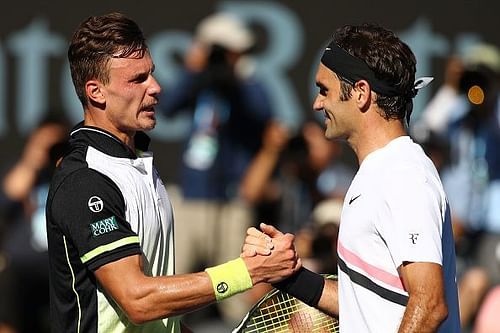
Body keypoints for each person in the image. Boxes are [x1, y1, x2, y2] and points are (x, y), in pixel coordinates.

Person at [45, 12, 300, 333]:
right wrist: (248, 272)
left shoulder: (139, 163)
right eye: (137, 80)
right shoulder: (86, 181)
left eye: (151, 73)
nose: (156, 87)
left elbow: (160, 321)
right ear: (96, 92)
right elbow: (139, 301)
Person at [244, 23, 461, 332]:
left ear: (361, 93)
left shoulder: (403, 174)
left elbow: (429, 304)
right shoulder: (379, 173)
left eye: (324, 90)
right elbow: (364, 306)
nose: (317, 104)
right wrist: (290, 276)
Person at [157, 12, 273, 324]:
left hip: (231, 202)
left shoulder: (249, 84)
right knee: (172, 288)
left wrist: (234, 80)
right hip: (190, 200)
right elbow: (166, 108)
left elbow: (262, 113)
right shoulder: (199, 84)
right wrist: (194, 72)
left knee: (236, 298)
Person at [0, 115, 69, 333]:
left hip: (59, 265)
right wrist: (33, 158)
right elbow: (10, 194)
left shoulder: (72, 176)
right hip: (22, 265)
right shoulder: (24, 172)